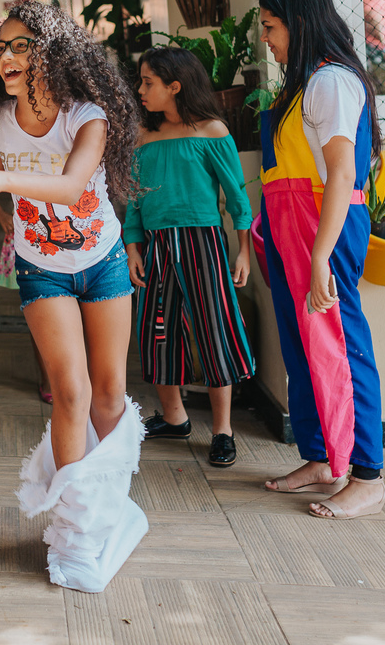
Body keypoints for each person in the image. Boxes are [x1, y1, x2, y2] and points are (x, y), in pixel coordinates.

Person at [0, 0, 146, 593]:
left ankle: (106, 509)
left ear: (52, 52)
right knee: (70, 392)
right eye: (1, 47)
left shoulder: (87, 115)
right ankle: (76, 534)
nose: (6, 56)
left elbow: (73, 185)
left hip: (102, 261)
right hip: (41, 268)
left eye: (21, 45)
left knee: (110, 394)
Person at [257, 0, 385, 520]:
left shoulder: (331, 82)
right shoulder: (304, 83)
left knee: (342, 347)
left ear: (299, 23)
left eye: (271, 27)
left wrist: (319, 255)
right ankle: (322, 458)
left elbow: (341, 174)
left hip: (323, 230)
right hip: (292, 228)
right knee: (302, 347)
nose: (266, 39)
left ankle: (367, 476)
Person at [126, 47, 256, 468]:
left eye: (148, 82)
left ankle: (222, 430)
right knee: (157, 329)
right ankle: (175, 418)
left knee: (214, 328)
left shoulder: (212, 131)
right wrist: (132, 246)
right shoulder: (143, 136)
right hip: (156, 245)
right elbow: (134, 198)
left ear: (175, 86)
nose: (140, 89)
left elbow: (237, 197)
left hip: (203, 244)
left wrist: (244, 252)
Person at [0, 194, 52, 404]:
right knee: (41, 315)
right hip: (29, 237)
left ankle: (78, 378)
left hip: (75, 241)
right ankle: (49, 380)